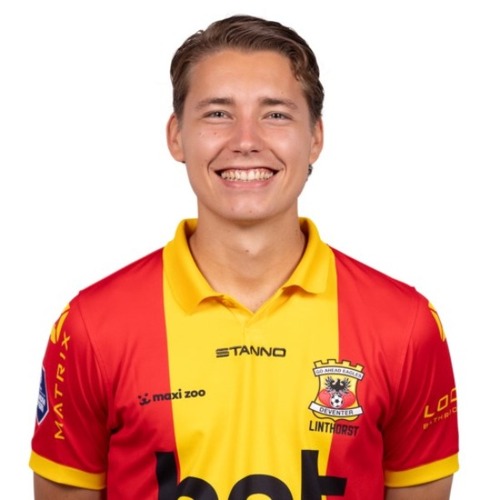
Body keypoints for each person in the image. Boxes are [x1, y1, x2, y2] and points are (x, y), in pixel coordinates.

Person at [29, 14, 459, 500]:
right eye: (218, 113)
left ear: (315, 137)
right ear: (176, 136)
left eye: (275, 114)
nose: (246, 140)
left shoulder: (406, 326)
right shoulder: (91, 326)